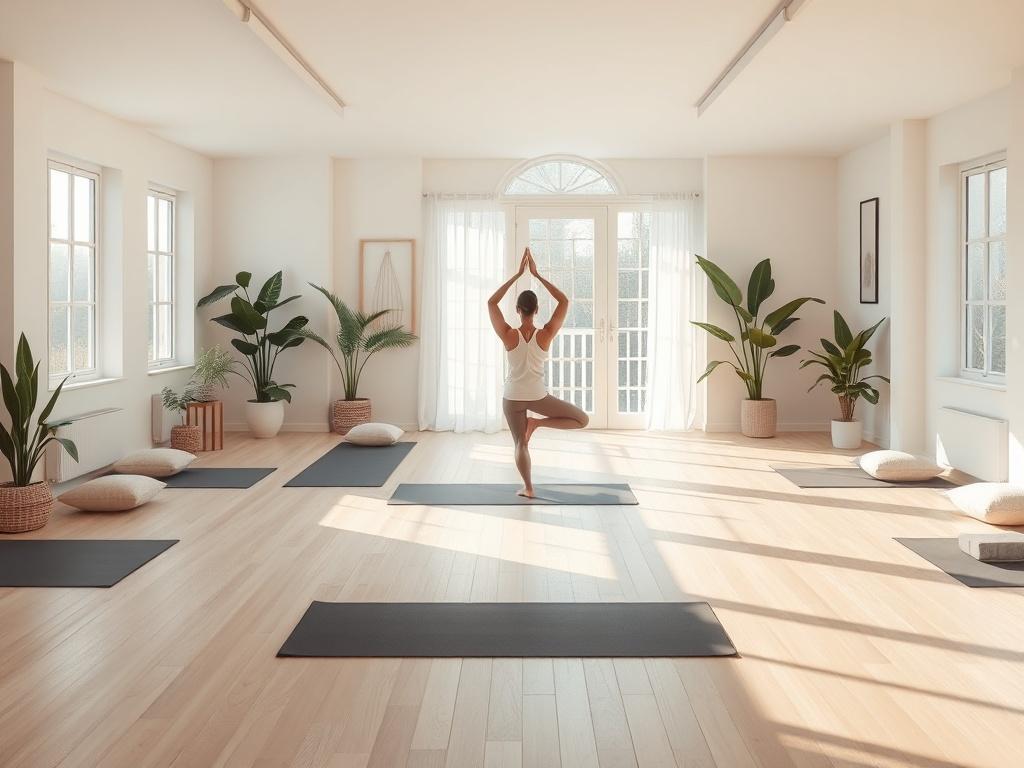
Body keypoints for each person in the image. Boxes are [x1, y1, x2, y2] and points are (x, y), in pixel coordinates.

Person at [488, 248, 588, 497]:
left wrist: (516, 275)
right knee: (582, 420)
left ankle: (529, 488)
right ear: (537, 309)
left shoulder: (508, 334)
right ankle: (538, 423)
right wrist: (537, 275)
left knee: (520, 444)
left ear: (518, 309)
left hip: (512, 397)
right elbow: (564, 301)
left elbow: (491, 302)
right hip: (537, 396)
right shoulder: (545, 334)